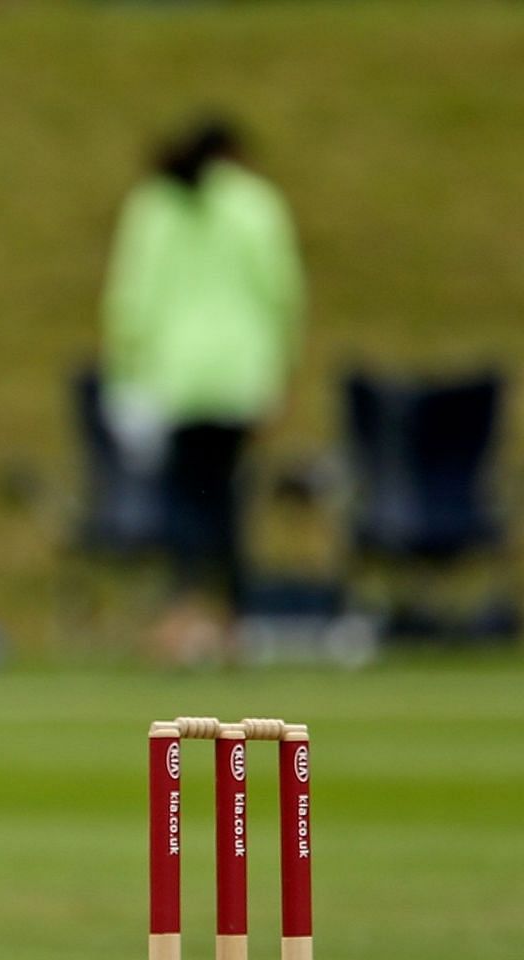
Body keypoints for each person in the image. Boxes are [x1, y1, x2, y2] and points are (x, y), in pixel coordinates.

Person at [101, 114, 305, 648]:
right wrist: (278, 372)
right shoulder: (257, 203)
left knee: (184, 496)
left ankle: (185, 613)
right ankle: (234, 617)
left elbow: (132, 297)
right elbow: (281, 293)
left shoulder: (153, 204)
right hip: (240, 373)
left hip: (175, 374)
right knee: (228, 497)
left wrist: (127, 371)